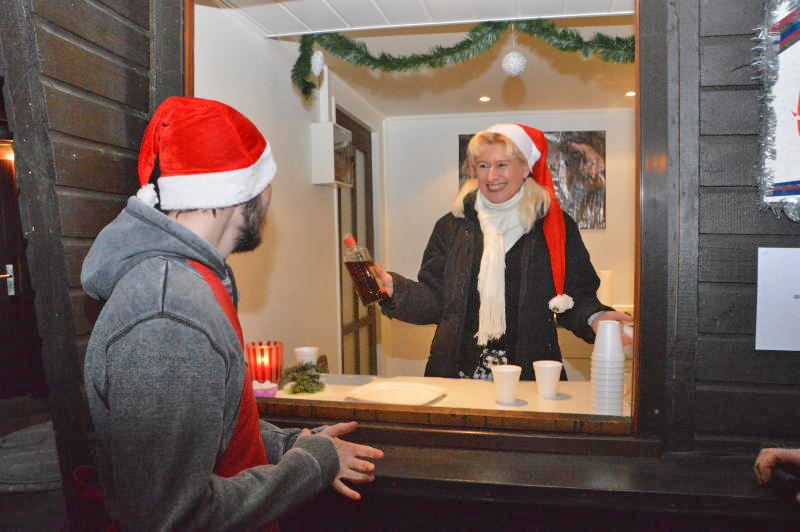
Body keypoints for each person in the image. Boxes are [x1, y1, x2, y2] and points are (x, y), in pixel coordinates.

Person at [81, 97, 383, 531]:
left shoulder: (192, 282)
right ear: (242, 191)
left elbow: (206, 429)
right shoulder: (168, 312)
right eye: (267, 179)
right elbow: (171, 516)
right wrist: (310, 467)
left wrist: (290, 444)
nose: (270, 195)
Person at [374, 123, 632, 381]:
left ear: (525, 167)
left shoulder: (555, 226)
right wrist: (398, 291)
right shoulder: (452, 225)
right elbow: (436, 300)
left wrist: (596, 317)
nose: (490, 176)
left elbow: (576, 295)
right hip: (456, 374)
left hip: (532, 376)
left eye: (502, 165)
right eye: (483, 166)